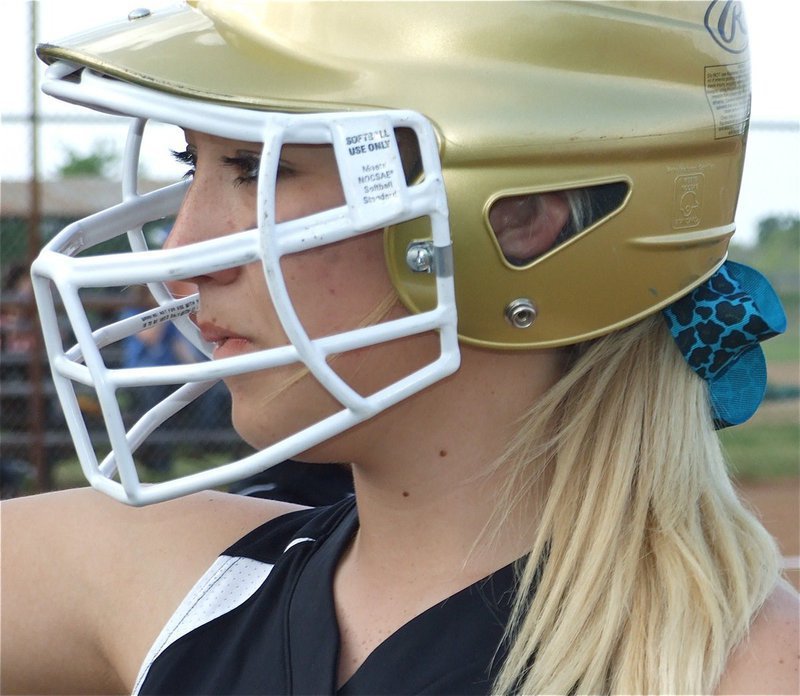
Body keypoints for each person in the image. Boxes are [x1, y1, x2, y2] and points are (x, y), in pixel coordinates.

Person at [2, 3, 797, 694]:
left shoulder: (744, 673)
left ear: (518, 216)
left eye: (254, 168)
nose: (188, 246)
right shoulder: (170, 585)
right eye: (191, 161)